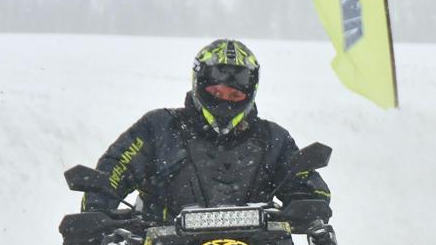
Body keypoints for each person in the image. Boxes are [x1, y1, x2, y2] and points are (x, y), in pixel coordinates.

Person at [84, 39, 331, 222]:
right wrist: (96, 211)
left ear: (250, 93)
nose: (224, 101)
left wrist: (308, 203)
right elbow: (113, 172)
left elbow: (307, 184)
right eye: (216, 93)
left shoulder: (274, 139)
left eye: (234, 95)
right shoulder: (159, 127)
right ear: (198, 85)